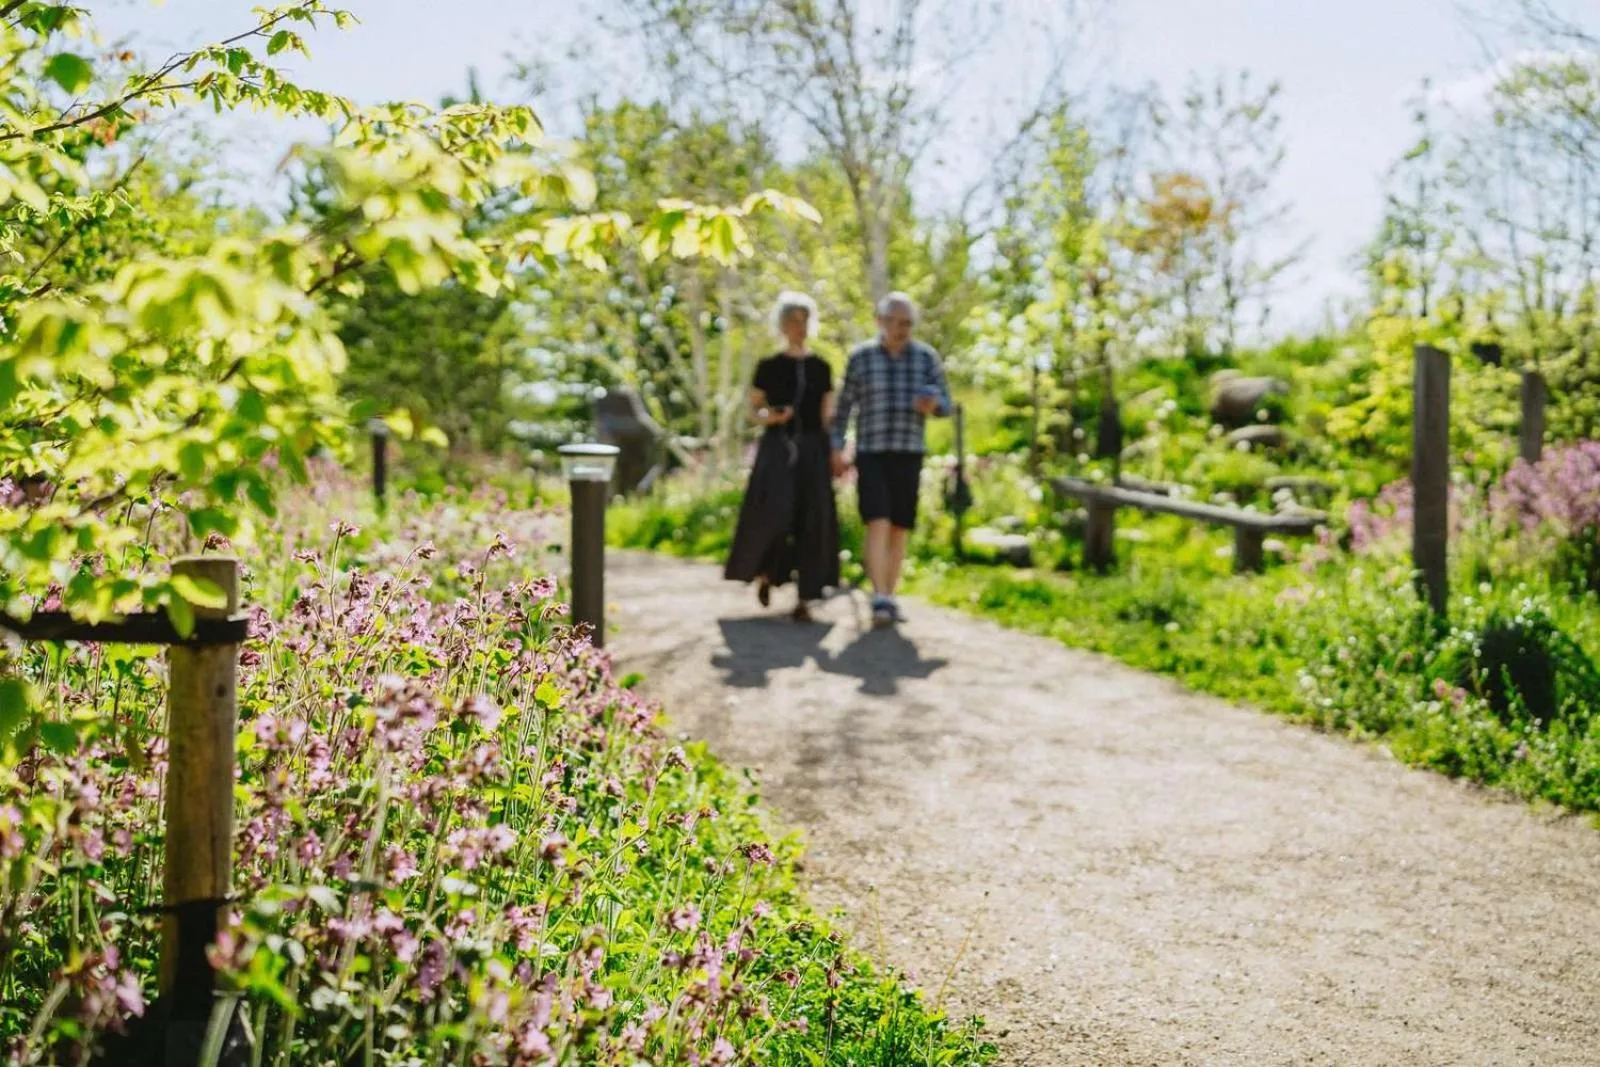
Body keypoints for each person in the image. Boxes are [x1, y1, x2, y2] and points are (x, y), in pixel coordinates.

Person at [831, 292, 952, 628]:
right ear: (880, 322)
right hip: (871, 451)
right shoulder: (861, 358)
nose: (902, 329)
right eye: (895, 322)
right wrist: (836, 448)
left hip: (909, 451)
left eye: (908, 323)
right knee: (878, 520)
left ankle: (889, 594)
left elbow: (946, 403)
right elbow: (843, 409)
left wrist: (935, 405)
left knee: (899, 526)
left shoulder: (926, 358)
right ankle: (880, 595)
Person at [724, 291, 841, 622]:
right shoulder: (769, 366)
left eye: (804, 321)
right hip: (777, 449)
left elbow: (828, 415)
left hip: (813, 450)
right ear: (782, 325)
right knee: (773, 515)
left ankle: (806, 596)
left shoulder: (820, 367)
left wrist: (834, 451)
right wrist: (771, 417)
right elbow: (754, 411)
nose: (799, 327)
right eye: (792, 321)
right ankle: (766, 574)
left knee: (812, 520)